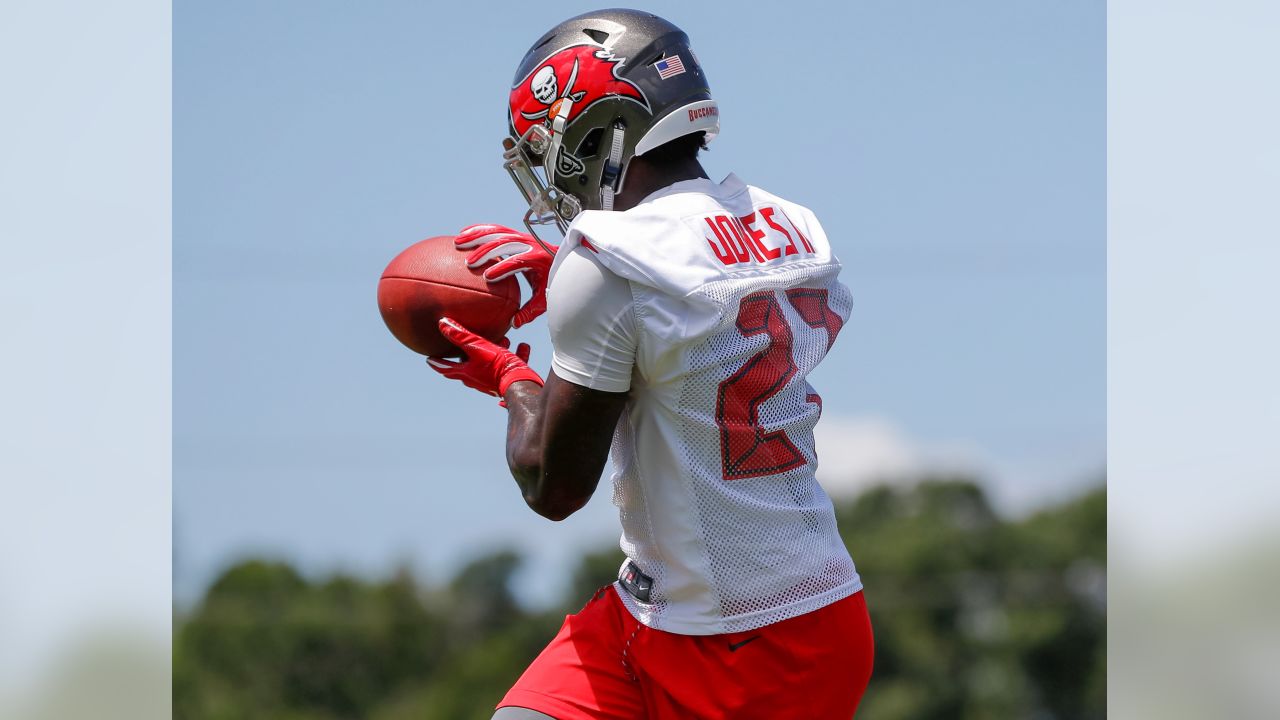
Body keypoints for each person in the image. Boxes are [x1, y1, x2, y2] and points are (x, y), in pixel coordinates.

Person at [426, 9, 874, 719]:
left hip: (756, 645)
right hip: (685, 612)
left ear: (594, 124)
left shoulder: (611, 259)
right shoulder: (784, 221)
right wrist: (583, 289)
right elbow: (693, 312)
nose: (550, 169)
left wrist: (510, 380)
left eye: (547, 144)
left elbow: (553, 486)